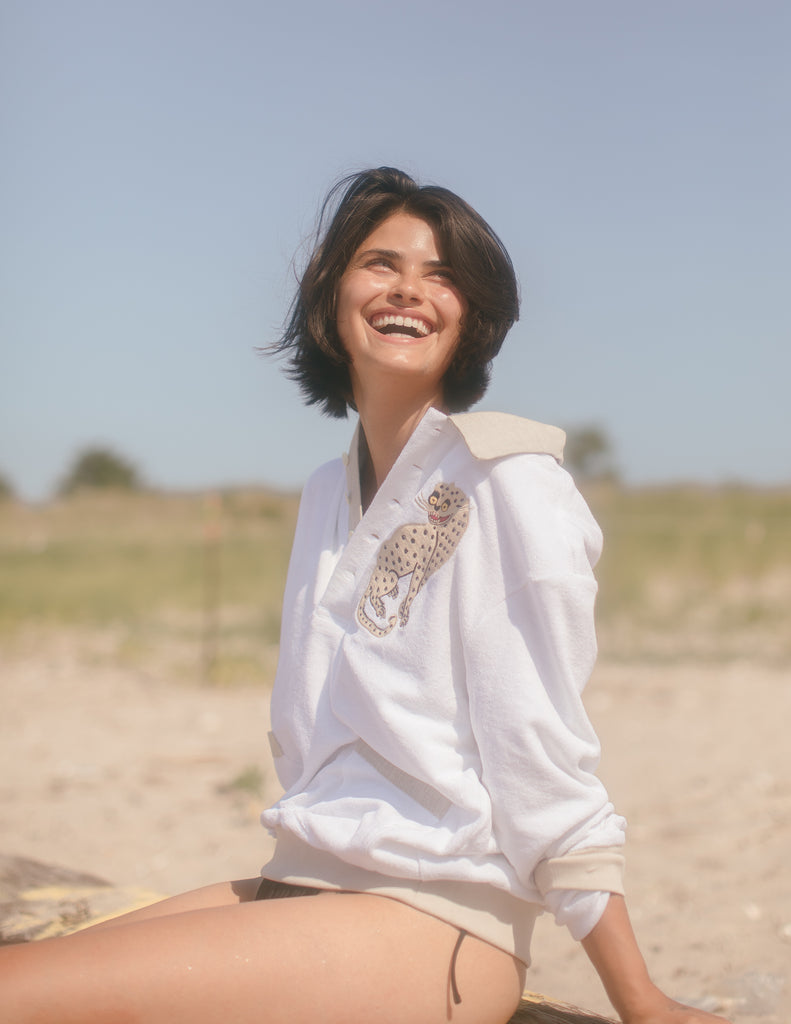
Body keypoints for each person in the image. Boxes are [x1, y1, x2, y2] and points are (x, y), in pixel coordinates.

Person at [0, 167, 731, 1024]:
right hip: (305, 886)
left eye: (443, 275)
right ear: (331, 291)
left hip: (430, 925)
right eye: (380, 264)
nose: (410, 291)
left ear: (475, 315)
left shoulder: (510, 481)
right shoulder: (324, 491)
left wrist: (638, 998)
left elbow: (540, 758)